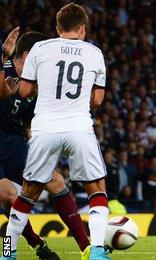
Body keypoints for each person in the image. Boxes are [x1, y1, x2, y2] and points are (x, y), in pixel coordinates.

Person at [3, 3, 110, 260]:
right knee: (96, 189)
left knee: (28, 193)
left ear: (57, 28)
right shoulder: (95, 53)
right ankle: (97, 252)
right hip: (78, 126)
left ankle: (9, 252)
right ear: (83, 28)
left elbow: (25, 92)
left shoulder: (41, 49)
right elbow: (97, 100)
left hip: (44, 128)